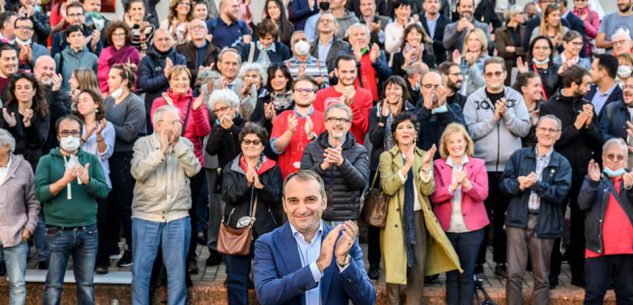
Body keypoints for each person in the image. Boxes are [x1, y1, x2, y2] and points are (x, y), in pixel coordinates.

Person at [253, 170, 376, 305]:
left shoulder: (344, 240)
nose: (302, 209)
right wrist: (318, 266)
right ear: (284, 205)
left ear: (323, 202)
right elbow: (266, 296)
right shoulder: (267, 243)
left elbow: (367, 300)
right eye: (293, 201)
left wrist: (344, 261)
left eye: (310, 199)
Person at [379, 112, 460, 305]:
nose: (405, 131)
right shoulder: (387, 156)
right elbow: (388, 187)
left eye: (409, 127)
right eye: (400, 128)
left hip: (418, 218)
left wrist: (424, 168)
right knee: (393, 272)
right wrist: (406, 167)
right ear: (395, 134)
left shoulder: (424, 156)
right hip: (393, 220)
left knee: (418, 271)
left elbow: (428, 189)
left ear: (416, 132)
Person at [463, 56, 531, 276]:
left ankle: (502, 262)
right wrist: (493, 119)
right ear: (484, 76)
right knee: (482, 217)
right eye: (489, 73)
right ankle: (478, 263)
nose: (494, 77)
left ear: (504, 74)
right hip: (483, 168)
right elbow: (469, 131)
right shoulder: (474, 98)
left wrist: (507, 115)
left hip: (510, 169)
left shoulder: (515, 97)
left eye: (498, 73)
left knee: (505, 218)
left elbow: (524, 129)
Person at [130, 105, 201, 305]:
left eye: (179, 121)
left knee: (177, 273)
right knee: (141, 272)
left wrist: (177, 146)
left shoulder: (185, 143)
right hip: (146, 216)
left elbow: (195, 169)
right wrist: (160, 152)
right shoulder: (142, 144)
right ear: (159, 124)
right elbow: (138, 172)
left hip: (177, 217)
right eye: (174, 121)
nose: (179, 125)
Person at [34, 114, 109, 305]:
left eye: (74, 132)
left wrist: (87, 181)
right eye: (65, 132)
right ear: (58, 136)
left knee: (85, 285)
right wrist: (63, 181)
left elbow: (103, 191)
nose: (70, 136)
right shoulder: (46, 161)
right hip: (56, 232)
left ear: (81, 134)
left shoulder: (90, 159)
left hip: (87, 231)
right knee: (53, 285)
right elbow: (40, 194)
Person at [539, 65, 601, 288]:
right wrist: (576, 126)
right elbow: (553, 140)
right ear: (573, 84)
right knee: (555, 224)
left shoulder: (587, 105)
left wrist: (587, 126)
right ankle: (552, 273)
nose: (588, 88)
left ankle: (578, 273)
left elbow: (599, 140)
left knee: (581, 226)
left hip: (583, 174)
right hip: (558, 174)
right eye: (585, 84)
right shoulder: (549, 107)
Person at [500, 114, 572, 305]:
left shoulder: (563, 163)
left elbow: (560, 193)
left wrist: (536, 185)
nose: (546, 133)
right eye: (543, 129)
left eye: (551, 130)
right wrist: (519, 185)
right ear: (536, 131)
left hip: (545, 223)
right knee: (514, 274)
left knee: (542, 277)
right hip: (517, 220)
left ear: (558, 135)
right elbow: (504, 184)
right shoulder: (519, 156)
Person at [150, 65, 210, 272]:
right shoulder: (159, 102)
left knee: (191, 212)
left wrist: (197, 111)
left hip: (193, 165)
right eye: (177, 79)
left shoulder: (196, 102)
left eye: (185, 79)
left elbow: (204, 131)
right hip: (167, 165)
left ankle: (190, 256)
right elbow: (157, 131)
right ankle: (167, 257)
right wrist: (170, 111)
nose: (181, 83)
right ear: (170, 82)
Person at [222, 122, 282, 305]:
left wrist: (260, 186)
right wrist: (246, 184)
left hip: (265, 232)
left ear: (263, 145)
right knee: (236, 280)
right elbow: (228, 195)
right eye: (246, 141)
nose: (250, 145)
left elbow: (277, 196)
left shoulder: (272, 167)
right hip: (236, 231)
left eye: (256, 142)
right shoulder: (231, 168)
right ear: (241, 144)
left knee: (268, 280)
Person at [430, 123, 489, 305]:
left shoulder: (477, 164)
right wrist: (452, 187)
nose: (456, 145)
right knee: (451, 275)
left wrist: (467, 184)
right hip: (446, 228)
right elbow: (434, 195)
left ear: (466, 142)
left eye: (459, 141)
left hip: (472, 229)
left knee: (467, 273)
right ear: (445, 146)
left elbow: (483, 194)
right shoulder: (438, 165)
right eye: (451, 142)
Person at [366, 75, 416, 279]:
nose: (392, 93)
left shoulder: (411, 111)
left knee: (405, 213)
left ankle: (405, 260)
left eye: (396, 89)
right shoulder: (376, 111)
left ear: (403, 90)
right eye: (389, 89)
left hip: (405, 166)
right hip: (380, 168)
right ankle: (374, 263)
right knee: (377, 214)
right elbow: (375, 140)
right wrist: (382, 119)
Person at [578, 138, 633, 305]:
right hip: (598, 251)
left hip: (628, 252)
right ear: (603, 158)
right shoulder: (593, 179)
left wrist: (630, 188)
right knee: (593, 297)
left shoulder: (631, 179)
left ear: (626, 159)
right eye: (610, 156)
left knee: (627, 299)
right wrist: (593, 183)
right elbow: (582, 203)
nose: (615, 160)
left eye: (620, 157)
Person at [103, 63, 147, 268]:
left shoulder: (135, 102)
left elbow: (130, 133)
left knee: (125, 204)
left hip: (126, 157)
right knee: (111, 203)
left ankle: (131, 248)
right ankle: (111, 244)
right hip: (109, 157)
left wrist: (107, 126)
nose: (108, 80)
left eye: (113, 77)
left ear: (124, 80)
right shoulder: (109, 101)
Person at [301, 102, 369, 223]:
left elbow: (360, 184)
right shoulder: (312, 148)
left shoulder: (359, 151)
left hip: (346, 219)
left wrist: (341, 162)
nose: (337, 123)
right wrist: (323, 166)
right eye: (333, 119)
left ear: (348, 125)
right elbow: (303, 181)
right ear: (326, 123)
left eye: (342, 119)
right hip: (316, 217)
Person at [72, 89, 116, 274]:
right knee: (79, 221)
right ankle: (80, 261)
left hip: (100, 179)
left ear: (96, 104)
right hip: (76, 180)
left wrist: (97, 135)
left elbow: (106, 153)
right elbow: (70, 151)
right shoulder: (74, 125)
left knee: (101, 221)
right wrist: (85, 133)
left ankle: (102, 260)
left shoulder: (108, 126)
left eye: (85, 100)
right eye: (79, 100)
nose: (80, 103)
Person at [0, 128, 40, 305]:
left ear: (7, 146)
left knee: (17, 284)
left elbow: (34, 201)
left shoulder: (23, 167)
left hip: (16, 234)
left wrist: (29, 228)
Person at [270, 75, 326, 179]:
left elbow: (328, 151)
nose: (304, 93)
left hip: (315, 178)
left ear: (315, 95)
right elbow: (275, 148)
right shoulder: (282, 117)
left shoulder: (324, 119)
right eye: (299, 90)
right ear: (293, 94)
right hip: (286, 177)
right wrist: (290, 132)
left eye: (308, 90)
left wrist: (313, 137)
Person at [314, 55, 372, 145]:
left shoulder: (365, 95)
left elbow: (364, 128)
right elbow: (318, 126)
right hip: (326, 149)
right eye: (344, 72)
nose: (348, 76)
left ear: (357, 71)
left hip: (354, 150)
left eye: (352, 72)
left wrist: (351, 105)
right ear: (336, 72)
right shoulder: (321, 95)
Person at [138, 28, 186, 133]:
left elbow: (183, 84)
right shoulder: (146, 61)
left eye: (166, 39)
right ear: (154, 41)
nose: (163, 42)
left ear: (172, 41)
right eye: (160, 39)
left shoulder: (180, 59)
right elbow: (145, 85)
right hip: (154, 109)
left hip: (177, 107)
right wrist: (165, 76)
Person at [0, 73, 50, 171]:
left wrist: (29, 126)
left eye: (27, 87)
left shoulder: (42, 113)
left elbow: (39, 142)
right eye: (19, 88)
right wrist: (11, 126)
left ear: (34, 91)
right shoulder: (6, 112)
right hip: (11, 163)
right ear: (14, 91)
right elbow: (3, 143)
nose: (23, 91)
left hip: (34, 164)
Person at [416, 70, 465, 154]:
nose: (433, 90)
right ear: (421, 89)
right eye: (428, 86)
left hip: (448, 162)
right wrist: (426, 109)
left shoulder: (454, 108)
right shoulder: (414, 110)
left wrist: (441, 108)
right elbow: (411, 130)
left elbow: (463, 131)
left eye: (437, 86)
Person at [347, 23, 392, 103]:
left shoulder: (378, 53)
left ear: (368, 38)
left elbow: (388, 76)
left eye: (362, 34)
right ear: (350, 39)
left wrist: (376, 62)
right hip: (354, 101)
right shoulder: (345, 55)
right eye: (356, 35)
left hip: (376, 101)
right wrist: (356, 61)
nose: (359, 37)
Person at [97, 21, 141, 95]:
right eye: (114, 34)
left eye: (121, 34)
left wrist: (132, 70)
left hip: (127, 93)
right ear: (111, 36)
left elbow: (136, 75)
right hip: (108, 93)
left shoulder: (133, 52)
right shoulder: (105, 52)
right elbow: (102, 76)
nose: (118, 37)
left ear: (126, 36)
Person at [205, 89, 245, 169]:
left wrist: (231, 128)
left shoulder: (244, 124)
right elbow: (210, 150)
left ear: (234, 108)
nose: (220, 113)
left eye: (223, 109)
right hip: (225, 174)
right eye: (216, 110)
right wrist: (222, 130)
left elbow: (244, 140)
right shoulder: (217, 127)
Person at [176, 18, 220, 87]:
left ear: (206, 31)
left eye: (201, 27)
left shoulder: (216, 50)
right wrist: (198, 72)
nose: (197, 30)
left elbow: (220, 70)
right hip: (187, 87)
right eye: (193, 28)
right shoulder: (180, 49)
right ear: (189, 32)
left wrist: (209, 72)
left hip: (210, 86)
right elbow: (178, 70)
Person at [54, 25, 99, 92]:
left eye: (79, 35)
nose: (76, 38)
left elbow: (96, 81)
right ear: (68, 39)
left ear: (84, 37)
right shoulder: (60, 57)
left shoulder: (93, 58)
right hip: (65, 98)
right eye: (73, 36)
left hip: (86, 96)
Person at [250, 64, 293, 132]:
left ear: (287, 78)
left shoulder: (295, 101)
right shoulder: (262, 101)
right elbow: (254, 128)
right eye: (273, 77)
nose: (277, 80)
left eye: (280, 76)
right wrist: (267, 119)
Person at [517, 36, 561, 100]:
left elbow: (562, 92)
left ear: (550, 51)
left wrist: (563, 77)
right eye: (537, 48)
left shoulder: (558, 69)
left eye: (545, 48)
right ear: (532, 50)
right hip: (532, 107)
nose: (541, 51)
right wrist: (525, 75)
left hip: (552, 107)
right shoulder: (526, 69)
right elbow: (518, 93)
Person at [599, 77, 633, 159]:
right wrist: (620, 143)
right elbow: (601, 134)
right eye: (625, 87)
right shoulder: (611, 108)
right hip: (616, 162)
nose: (626, 90)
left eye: (631, 87)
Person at [495, 7, 527, 86]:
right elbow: (502, 52)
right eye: (520, 14)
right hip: (507, 66)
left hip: (523, 65)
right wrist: (521, 51)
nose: (524, 16)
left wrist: (514, 49)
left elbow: (528, 50)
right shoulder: (500, 31)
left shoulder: (525, 30)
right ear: (512, 16)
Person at [512, 72, 544, 148]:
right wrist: (529, 124)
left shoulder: (544, 108)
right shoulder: (512, 109)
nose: (540, 89)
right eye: (536, 86)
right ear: (524, 89)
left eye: (540, 86)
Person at [456, 28, 489, 96]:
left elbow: (484, 85)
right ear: (466, 43)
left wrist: (472, 66)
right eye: (470, 40)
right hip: (460, 99)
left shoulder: (488, 61)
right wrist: (456, 65)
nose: (473, 43)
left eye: (477, 40)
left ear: (482, 42)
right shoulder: (461, 59)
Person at [420, 0, 450, 65]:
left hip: (441, 61)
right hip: (421, 60)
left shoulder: (447, 22)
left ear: (440, 5)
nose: (433, 4)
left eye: (436, 2)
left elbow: (447, 44)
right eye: (430, 2)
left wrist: (431, 41)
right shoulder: (419, 20)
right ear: (424, 5)